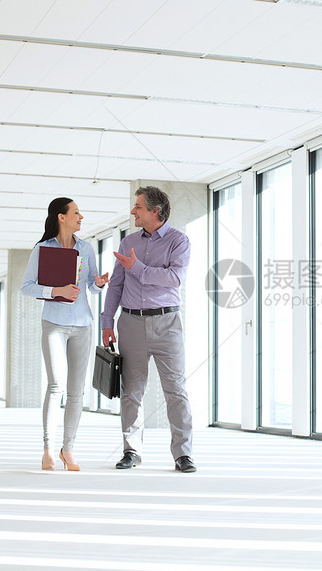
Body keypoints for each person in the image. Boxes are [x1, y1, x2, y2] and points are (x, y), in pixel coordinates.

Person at [101, 186, 195, 473]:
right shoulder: (128, 241)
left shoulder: (179, 241)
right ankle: (132, 450)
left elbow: (174, 278)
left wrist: (138, 267)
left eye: (138, 207)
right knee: (131, 392)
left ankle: (183, 454)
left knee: (176, 391)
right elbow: (116, 285)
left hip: (167, 324)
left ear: (156, 211)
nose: (133, 211)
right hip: (130, 323)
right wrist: (107, 321)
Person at [21, 197, 109, 471]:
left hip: (83, 325)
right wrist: (55, 291)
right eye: (76, 212)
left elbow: (91, 288)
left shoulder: (87, 248)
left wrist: (98, 284)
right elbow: (26, 287)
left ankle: (68, 448)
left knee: (76, 392)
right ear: (61, 217)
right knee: (55, 385)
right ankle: (48, 448)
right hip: (54, 324)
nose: (81, 217)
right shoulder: (42, 249)